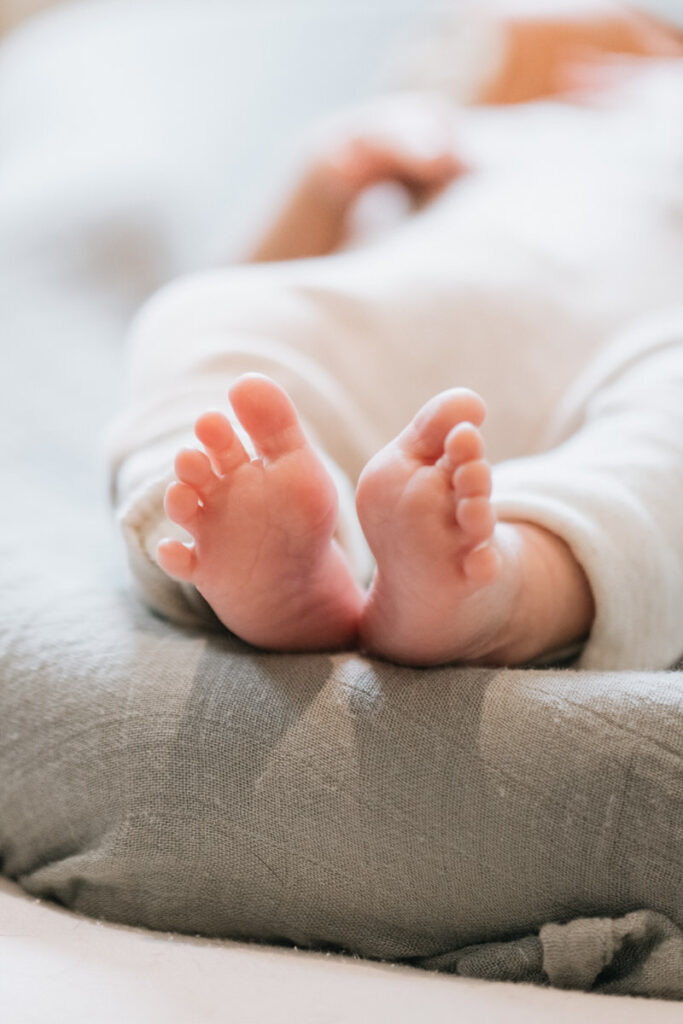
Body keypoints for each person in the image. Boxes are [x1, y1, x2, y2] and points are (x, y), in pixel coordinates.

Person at [108, 1, 683, 669]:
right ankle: (257, 551)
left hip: (649, 353)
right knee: (200, 316)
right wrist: (331, 178)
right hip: (409, 318)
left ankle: (504, 581)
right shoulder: (481, 112)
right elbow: (257, 275)